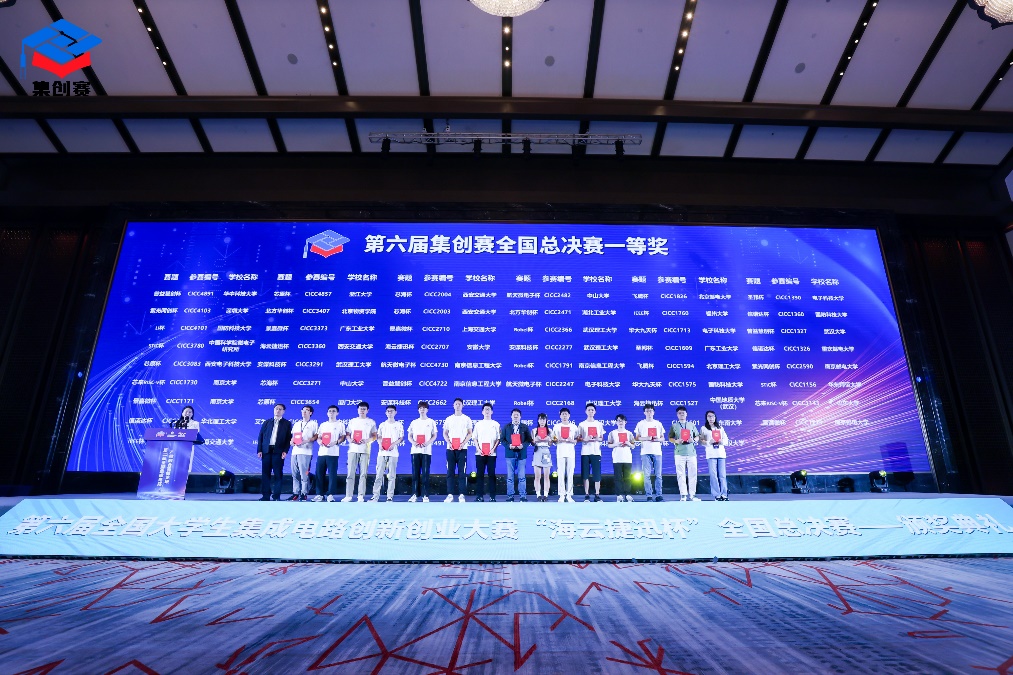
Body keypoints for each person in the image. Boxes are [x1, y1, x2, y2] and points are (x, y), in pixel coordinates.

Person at [256, 403, 291, 501]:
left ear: (283, 411)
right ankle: (266, 495)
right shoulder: (267, 422)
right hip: (266, 451)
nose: (278, 410)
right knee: (265, 474)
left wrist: (285, 451)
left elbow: (288, 439)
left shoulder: (287, 423)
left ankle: (276, 496)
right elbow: (261, 437)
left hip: (278, 451)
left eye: (280, 409)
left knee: (278, 474)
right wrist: (259, 450)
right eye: (276, 409)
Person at [342, 401, 376, 502]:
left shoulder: (371, 422)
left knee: (363, 474)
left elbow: (374, 436)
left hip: (365, 450)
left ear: (367, 410)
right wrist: (350, 439)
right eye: (360, 409)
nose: (362, 410)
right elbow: (347, 434)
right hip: (353, 450)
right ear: (358, 410)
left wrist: (367, 440)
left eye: (364, 409)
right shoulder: (353, 421)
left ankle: (360, 495)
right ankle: (348, 495)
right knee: (350, 473)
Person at [668, 406, 701, 502]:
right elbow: (670, 438)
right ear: (677, 415)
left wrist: (693, 440)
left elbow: (697, 436)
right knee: (680, 474)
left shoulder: (691, 425)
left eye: (683, 413)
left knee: (693, 474)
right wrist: (676, 441)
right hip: (679, 453)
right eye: (679, 413)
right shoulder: (674, 426)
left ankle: (692, 495)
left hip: (691, 453)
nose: (681, 414)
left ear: (686, 414)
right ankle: (683, 495)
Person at [442, 397, 472, 503]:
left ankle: (461, 494)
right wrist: (449, 443)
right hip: (450, 449)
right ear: (453, 406)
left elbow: (470, 433)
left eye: (459, 404)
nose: (458, 405)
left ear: (462, 406)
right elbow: (445, 433)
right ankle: (450, 494)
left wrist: (463, 443)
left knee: (462, 472)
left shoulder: (467, 419)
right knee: (450, 471)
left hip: (462, 449)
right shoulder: (449, 419)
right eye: (456, 404)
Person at [372, 404, 404, 502]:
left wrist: (393, 444)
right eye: (388, 411)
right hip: (382, 453)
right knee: (379, 475)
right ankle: (375, 496)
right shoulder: (382, 424)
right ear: (386, 413)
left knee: (392, 475)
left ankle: (390, 496)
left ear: (395, 412)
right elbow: (379, 437)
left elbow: (401, 438)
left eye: (392, 411)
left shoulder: (399, 425)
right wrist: (380, 444)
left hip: (393, 453)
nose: (390, 413)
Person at [313, 405, 345, 502]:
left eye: (333, 411)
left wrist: (335, 442)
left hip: (333, 453)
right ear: (327, 413)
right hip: (322, 452)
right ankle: (319, 494)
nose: (331, 413)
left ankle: (330, 494)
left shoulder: (340, 424)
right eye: (330, 411)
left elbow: (343, 437)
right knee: (319, 474)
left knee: (332, 474)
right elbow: (318, 436)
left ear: (337, 413)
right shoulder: (323, 425)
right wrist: (319, 441)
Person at [635, 403, 666, 502]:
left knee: (658, 475)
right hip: (645, 452)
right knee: (646, 475)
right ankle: (649, 495)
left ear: (654, 412)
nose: (649, 413)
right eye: (647, 411)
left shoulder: (658, 423)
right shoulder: (641, 423)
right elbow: (637, 438)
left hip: (657, 451)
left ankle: (659, 495)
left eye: (651, 411)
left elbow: (663, 438)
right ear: (644, 412)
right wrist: (646, 438)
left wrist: (657, 439)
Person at [407, 401, 437, 502]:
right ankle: (414, 494)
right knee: (415, 474)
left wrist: (427, 443)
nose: (422, 410)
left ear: (427, 410)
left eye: (424, 408)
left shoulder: (431, 422)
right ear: (418, 410)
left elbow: (434, 435)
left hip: (426, 451)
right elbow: (409, 436)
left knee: (425, 474)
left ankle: (425, 495)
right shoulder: (414, 422)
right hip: (415, 450)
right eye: (420, 408)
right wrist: (414, 442)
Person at [500, 408, 532, 502]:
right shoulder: (506, 427)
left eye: (517, 415)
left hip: (522, 454)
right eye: (514, 415)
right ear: (511, 416)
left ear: (520, 416)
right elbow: (502, 439)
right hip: (510, 454)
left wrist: (523, 445)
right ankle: (510, 496)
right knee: (510, 477)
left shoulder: (524, 427)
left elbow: (529, 439)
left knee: (521, 476)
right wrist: (509, 445)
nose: (515, 416)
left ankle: (523, 496)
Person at [472, 402, 500, 502]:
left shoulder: (496, 424)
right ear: (482, 412)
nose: (487, 411)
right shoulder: (478, 424)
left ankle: (492, 496)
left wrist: (493, 449)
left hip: (492, 454)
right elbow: (474, 438)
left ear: (492, 412)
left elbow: (498, 439)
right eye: (485, 409)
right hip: (480, 453)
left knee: (492, 475)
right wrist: (479, 449)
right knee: (480, 475)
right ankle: (479, 496)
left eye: (489, 409)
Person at [289, 405, 318, 501]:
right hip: (295, 451)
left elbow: (316, 436)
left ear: (311, 413)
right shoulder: (297, 424)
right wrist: (291, 442)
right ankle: (295, 493)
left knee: (304, 474)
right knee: (295, 474)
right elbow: (293, 436)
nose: (304, 412)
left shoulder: (313, 424)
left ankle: (304, 493)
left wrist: (306, 441)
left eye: (307, 410)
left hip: (306, 452)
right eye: (303, 410)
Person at [701, 410, 730, 501]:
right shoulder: (704, 428)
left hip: (721, 454)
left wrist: (722, 441)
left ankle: (724, 494)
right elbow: (701, 441)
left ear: (715, 417)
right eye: (709, 416)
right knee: (713, 475)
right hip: (711, 454)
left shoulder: (720, 428)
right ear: (706, 418)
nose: (711, 418)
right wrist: (709, 442)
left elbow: (726, 440)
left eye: (712, 416)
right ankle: (717, 495)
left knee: (722, 475)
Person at [578, 403, 603, 502]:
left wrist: (597, 438)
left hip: (596, 452)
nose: (590, 411)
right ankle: (587, 494)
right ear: (585, 411)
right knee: (585, 475)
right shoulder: (582, 424)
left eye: (592, 410)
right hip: (585, 452)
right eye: (589, 410)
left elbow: (601, 438)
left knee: (597, 475)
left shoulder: (599, 424)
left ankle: (597, 494)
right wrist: (585, 439)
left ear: (595, 412)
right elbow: (578, 438)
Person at [552, 407, 578, 503]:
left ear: (569, 415)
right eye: (562, 414)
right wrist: (557, 440)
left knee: (570, 474)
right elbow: (553, 439)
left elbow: (577, 439)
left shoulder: (574, 427)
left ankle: (569, 495)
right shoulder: (556, 427)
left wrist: (572, 440)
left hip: (570, 452)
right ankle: (562, 495)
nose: (564, 416)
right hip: (560, 452)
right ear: (560, 416)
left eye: (566, 414)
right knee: (561, 474)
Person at [607, 414, 634, 502]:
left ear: (625, 422)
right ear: (616, 422)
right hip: (617, 458)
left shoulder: (629, 433)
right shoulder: (612, 433)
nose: (620, 422)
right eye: (619, 420)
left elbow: (633, 446)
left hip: (627, 458)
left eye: (622, 420)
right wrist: (616, 444)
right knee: (618, 478)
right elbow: (609, 445)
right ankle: (619, 495)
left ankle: (628, 494)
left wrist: (628, 443)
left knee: (628, 477)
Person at [531, 413, 553, 502]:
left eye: (544, 419)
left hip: (546, 452)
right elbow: (532, 443)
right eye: (540, 419)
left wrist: (549, 440)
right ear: (538, 420)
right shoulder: (534, 430)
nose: (542, 421)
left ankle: (546, 495)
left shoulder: (550, 431)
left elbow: (551, 444)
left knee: (546, 476)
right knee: (537, 476)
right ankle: (538, 495)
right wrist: (535, 440)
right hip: (537, 451)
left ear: (546, 420)